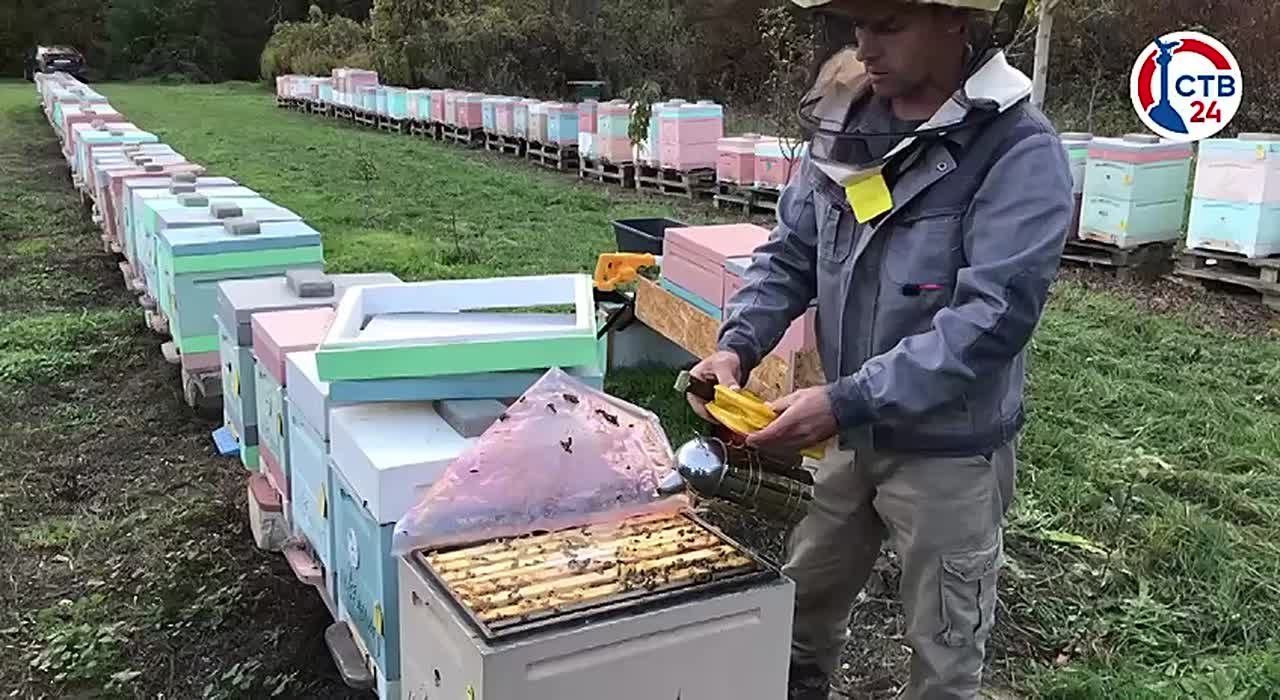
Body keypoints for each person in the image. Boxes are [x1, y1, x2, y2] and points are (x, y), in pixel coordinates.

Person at [685, 0, 1072, 698]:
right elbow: (790, 254)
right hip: (846, 437)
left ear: (956, 21)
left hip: (949, 451)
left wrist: (844, 398)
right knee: (799, 611)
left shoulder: (1016, 150)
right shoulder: (844, 125)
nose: (865, 47)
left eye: (888, 25)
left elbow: (990, 320)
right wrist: (737, 347)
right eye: (855, 26)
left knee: (946, 652)